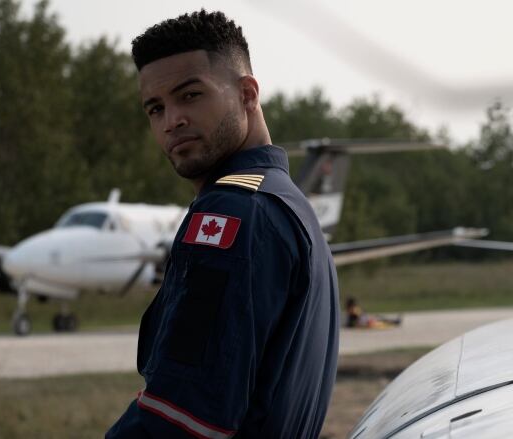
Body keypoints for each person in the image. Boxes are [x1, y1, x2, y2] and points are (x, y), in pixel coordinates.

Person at [106, 10, 339, 439]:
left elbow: (182, 419)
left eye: (190, 95)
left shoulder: (235, 212)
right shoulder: (287, 203)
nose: (170, 120)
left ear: (248, 93)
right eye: (155, 108)